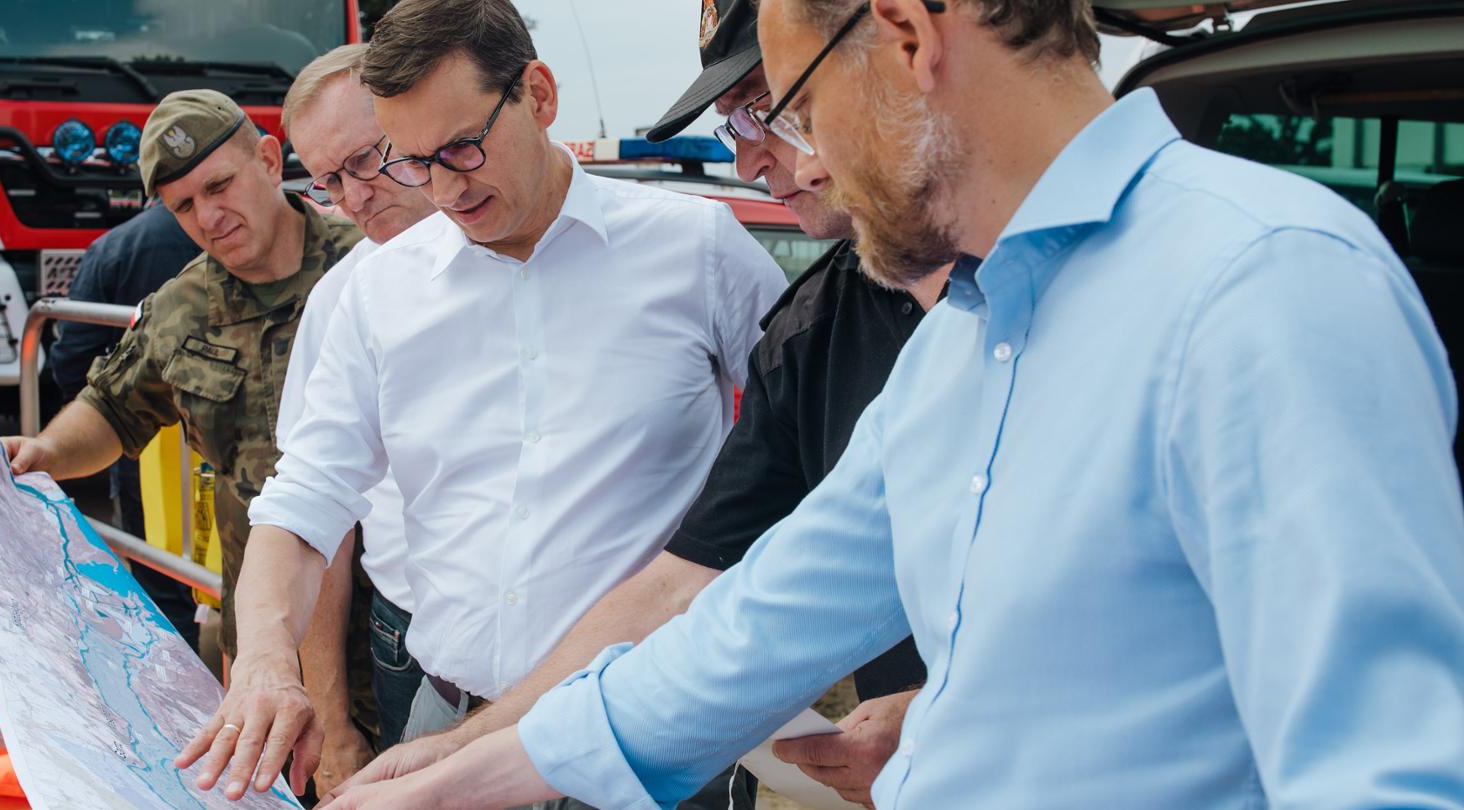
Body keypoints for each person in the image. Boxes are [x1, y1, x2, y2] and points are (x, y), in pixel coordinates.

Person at [319, 0, 1464, 807]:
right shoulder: (958, 343)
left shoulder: (1261, 287)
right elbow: (746, 632)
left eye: (797, 108)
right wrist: (450, 778)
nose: (801, 160)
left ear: (909, 35)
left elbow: (1381, 773)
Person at [178, 0, 788, 801]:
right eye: (412, 161)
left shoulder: (697, 251)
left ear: (539, 95)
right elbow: (304, 500)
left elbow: (816, 445)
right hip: (446, 717)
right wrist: (265, 662)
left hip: (651, 727)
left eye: (463, 148)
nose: (445, 189)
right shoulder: (377, 292)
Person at [337, 1, 937, 806]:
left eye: (770, 110)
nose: (750, 161)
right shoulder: (825, 324)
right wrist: (462, 756)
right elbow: (704, 580)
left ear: (909, 47)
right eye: (416, 162)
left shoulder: (709, 252)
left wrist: (948, 713)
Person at [0, 90, 364, 707]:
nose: (209, 216)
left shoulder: (368, 264)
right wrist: (47, 451)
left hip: (387, 628)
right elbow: (111, 408)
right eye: (185, 206)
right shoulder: (182, 308)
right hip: (263, 631)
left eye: (219, 186)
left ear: (268, 160)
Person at [274, 42, 442, 793]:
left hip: (602, 637)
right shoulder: (344, 299)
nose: (353, 196)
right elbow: (320, 519)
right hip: (412, 642)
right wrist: (332, 722)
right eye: (330, 179)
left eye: (365, 160)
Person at [46, 202, 205, 640]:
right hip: (232, 454)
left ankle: (178, 674)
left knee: (161, 584)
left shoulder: (118, 246)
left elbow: (72, 356)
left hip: (144, 447)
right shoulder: (249, 229)